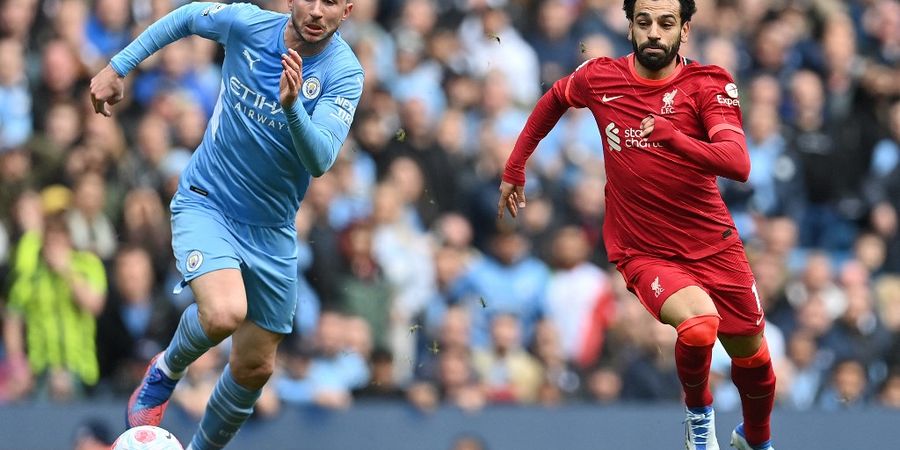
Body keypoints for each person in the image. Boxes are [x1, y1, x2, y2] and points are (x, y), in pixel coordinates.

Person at [497, 1, 775, 449]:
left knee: (755, 360)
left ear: (684, 30)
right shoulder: (600, 77)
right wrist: (515, 166)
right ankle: (699, 417)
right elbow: (554, 99)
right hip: (643, 249)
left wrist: (673, 137)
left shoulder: (708, 84)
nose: (653, 33)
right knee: (700, 325)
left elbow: (738, 163)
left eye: (666, 24)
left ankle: (755, 440)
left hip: (714, 244)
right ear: (630, 25)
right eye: (643, 22)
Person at [89, 1, 363, 449]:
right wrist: (119, 66)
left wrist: (292, 107)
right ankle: (164, 372)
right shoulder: (247, 25)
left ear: (347, 9)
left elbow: (320, 160)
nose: (316, 11)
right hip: (208, 202)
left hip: (272, 229)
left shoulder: (344, 73)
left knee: (255, 367)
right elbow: (185, 17)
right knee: (223, 313)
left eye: (330, 2)